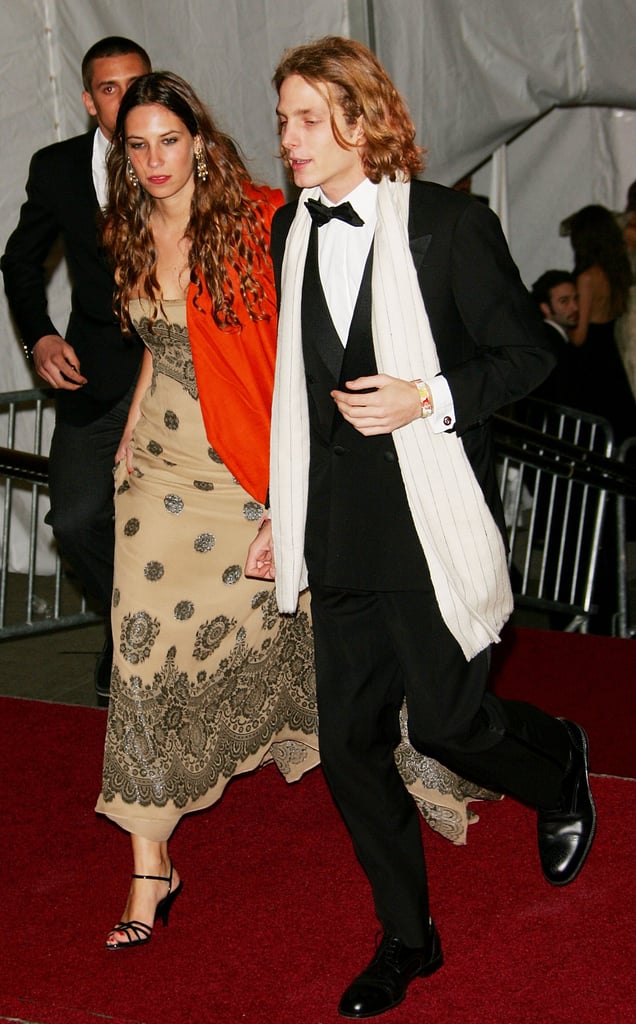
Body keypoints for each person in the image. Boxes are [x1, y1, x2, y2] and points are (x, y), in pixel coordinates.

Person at [94, 70, 493, 952]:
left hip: (244, 460)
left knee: (320, 628)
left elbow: (309, 349)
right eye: (138, 145)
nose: (156, 161)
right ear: (120, 156)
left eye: (170, 140)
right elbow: (161, 345)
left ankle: (427, 746)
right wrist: (129, 426)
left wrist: (295, 485)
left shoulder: (260, 222)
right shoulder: (124, 227)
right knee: (138, 647)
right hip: (160, 471)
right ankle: (148, 865)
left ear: (200, 141)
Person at [247, 36, 597, 1019]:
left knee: (449, 726)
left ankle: (557, 763)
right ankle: (409, 936)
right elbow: (300, 393)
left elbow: (530, 356)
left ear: (362, 121)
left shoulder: (449, 227)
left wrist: (430, 395)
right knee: (351, 745)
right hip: (342, 528)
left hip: (429, 517)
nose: (290, 140)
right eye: (282, 120)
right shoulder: (293, 230)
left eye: (309, 119)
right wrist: (285, 506)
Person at [1, 36, 151, 701]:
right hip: (93, 380)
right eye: (111, 89)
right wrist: (38, 338)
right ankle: (132, 624)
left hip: (180, 377)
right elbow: (20, 260)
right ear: (90, 102)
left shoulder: (188, 158)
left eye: (138, 83)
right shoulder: (59, 168)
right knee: (76, 519)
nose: (126, 100)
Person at [560, 203, 634, 442]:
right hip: (611, 357)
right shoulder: (617, 272)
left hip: (589, 362)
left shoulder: (587, 277)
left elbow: (580, 336)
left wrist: (562, 329)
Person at [529, 269, 580, 404]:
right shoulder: (554, 345)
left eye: (576, 298)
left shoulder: (543, 337)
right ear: (545, 308)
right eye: (564, 301)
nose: (574, 307)